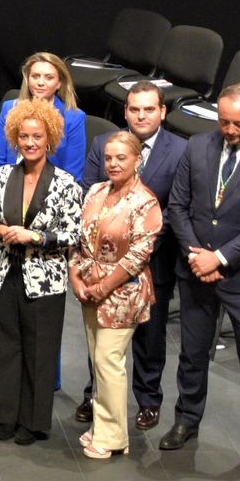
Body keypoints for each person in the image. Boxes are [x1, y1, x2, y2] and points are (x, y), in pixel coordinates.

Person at [160, 83, 240, 475]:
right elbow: (178, 207)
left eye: (238, 123)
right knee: (192, 352)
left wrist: (219, 257)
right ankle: (187, 418)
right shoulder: (197, 146)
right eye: (223, 122)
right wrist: (195, 255)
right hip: (196, 267)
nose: (230, 130)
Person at [75, 80, 185, 430]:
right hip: (102, 263)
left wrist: (144, 241)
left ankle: (148, 400)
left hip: (155, 260)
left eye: (149, 109)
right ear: (125, 111)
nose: (141, 115)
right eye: (134, 109)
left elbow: (176, 207)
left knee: (150, 339)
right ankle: (97, 395)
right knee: (101, 337)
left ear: (162, 112)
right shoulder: (103, 144)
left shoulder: (181, 151)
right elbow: (90, 195)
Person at [0, 98, 82, 445]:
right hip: (3, 272)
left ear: (50, 138)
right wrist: (1, 230)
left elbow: (73, 233)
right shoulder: (2, 175)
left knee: (38, 351)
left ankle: (32, 421)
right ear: (14, 138)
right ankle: (5, 416)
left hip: (44, 279)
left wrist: (35, 236)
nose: (29, 143)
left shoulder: (67, 183)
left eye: (37, 136)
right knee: (4, 346)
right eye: (23, 136)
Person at [70, 131, 162, 459]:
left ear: (138, 160)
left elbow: (139, 255)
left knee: (109, 361)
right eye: (109, 157)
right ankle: (104, 426)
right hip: (89, 289)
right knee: (99, 361)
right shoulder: (95, 191)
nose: (113, 163)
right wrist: (76, 279)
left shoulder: (145, 201)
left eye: (121, 158)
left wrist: (103, 287)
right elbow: (78, 239)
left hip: (123, 295)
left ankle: (111, 437)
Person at [0, 51, 86, 176]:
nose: (40, 83)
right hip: (9, 182)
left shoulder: (74, 117)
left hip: (53, 188)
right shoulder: (9, 108)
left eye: (49, 77)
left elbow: (73, 172)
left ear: (59, 83)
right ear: (28, 79)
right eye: (35, 76)